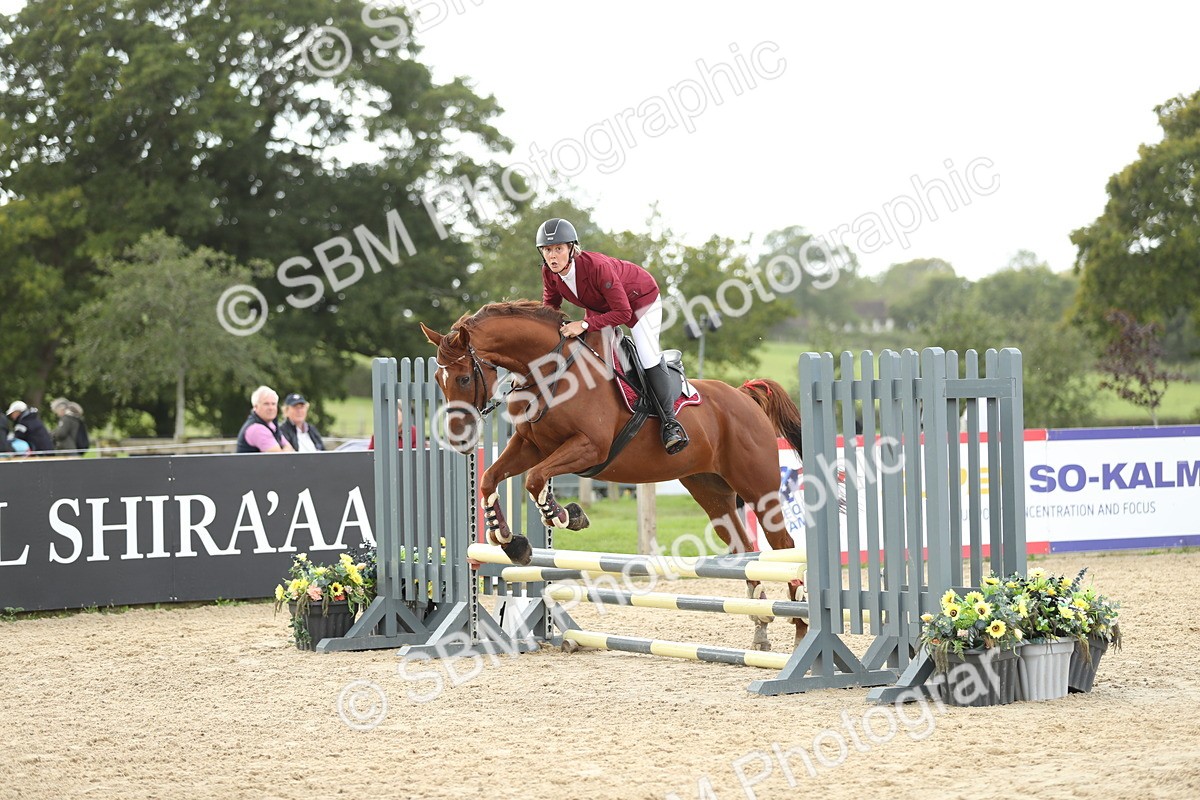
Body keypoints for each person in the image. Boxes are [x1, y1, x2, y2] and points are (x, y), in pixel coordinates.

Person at [537, 217, 688, 454]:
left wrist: (584, 325)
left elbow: (623, 312)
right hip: (602, 307)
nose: (553, 256)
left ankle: (670, 424)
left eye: (558, 249)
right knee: (590, 353)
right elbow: (550, 308)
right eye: (547, 250)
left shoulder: (596, 266)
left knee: (647, 355)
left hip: (640, 301)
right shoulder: (549, 272)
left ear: (571, 248)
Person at [235, 386, 294, 453]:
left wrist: (285, 449)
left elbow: (289, 448)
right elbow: (280, 458)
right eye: (266, 404)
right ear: (255, 407)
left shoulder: (271, 424)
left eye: (273, 404)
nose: (271, 408)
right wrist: (285, 450)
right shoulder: (257, 428)